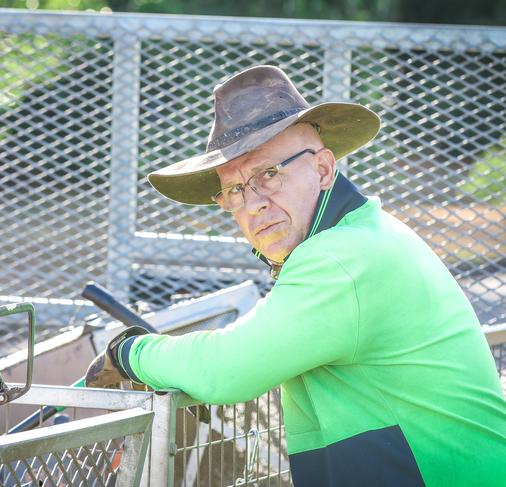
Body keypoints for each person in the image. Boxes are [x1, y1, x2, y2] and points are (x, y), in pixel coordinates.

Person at [85, 65, 506, 486]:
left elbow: (227, 368)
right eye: (233, 189)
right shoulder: (366, 231)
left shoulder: (339, 258)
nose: (251, 204)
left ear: (324, 169)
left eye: (268, 174)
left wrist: (130, 352)